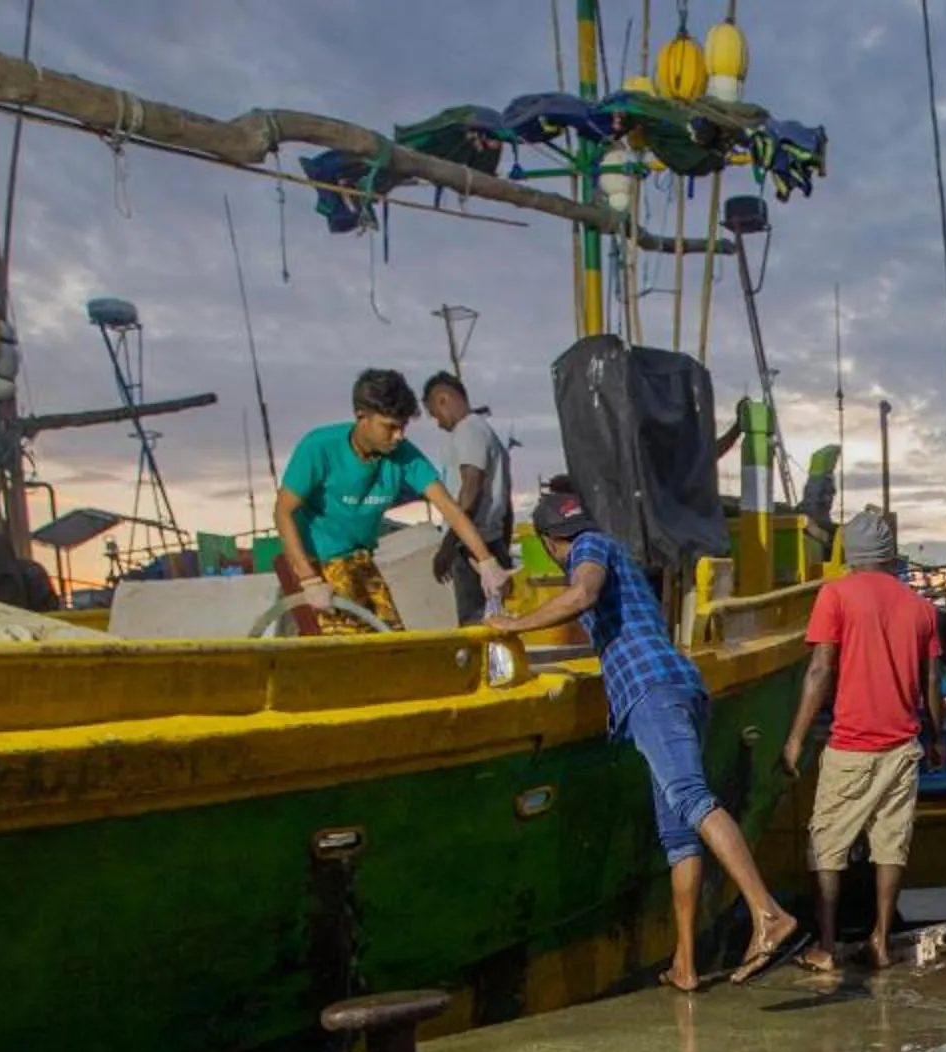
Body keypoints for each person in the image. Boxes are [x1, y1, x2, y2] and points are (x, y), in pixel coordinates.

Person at [490, 479, 802, 990]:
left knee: (691, 797)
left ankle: (767, 913)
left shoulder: (588, 548)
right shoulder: (613, 552)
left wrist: (514, 625)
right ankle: (684, 963)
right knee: (678, 836)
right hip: (677, 687)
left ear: (550, 541)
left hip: (651, 691)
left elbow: (583, 593)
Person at [782, 507, 942, 975]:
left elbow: (820, 669)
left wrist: (794, 738)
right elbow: (933, 681)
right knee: (891, 844)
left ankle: (828, 947)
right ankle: (880, 939)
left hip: (851, 746)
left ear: (850, 554)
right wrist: (933, 737)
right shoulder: (921, 608)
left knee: (826, 844)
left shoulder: (834, 595)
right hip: (902, 746)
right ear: (890, 554)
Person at [275, 368, 505, 634]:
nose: (399, 436)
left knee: (390, 638)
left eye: (403, 426)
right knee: (345, 645)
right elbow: (283, 512)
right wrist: (308, 578)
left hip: (359, 558)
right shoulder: (319, 448)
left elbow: (449, 507)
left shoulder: (403, 455)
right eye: (390, 426)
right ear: (362, 417)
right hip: (316, 562)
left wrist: (487, 561)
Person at [422, 372, 513, 627]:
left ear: (443, 399)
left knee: (473, 622)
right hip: (491, 542)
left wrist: (448, 546)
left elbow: (470, 490)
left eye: (434, 413)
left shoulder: (468, 430)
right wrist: (502, 550)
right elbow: (506, 502)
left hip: (471, 546)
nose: (438, 423)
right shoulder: (488, 433)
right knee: (493, 619)